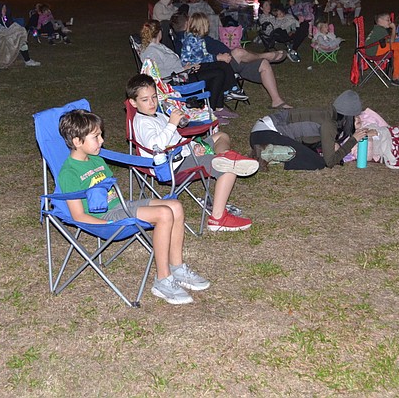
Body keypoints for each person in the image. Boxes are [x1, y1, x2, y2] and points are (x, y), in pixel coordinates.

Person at [57, 108, 210, 305]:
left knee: (175, 206)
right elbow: (78, 216)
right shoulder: (68, 173)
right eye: (96, 137)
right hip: (105, 217)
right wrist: (109, 223)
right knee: (164, 214)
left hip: (121, 205)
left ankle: (177, 267)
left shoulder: (97, 159)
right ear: (77, 142)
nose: (102, 140)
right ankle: (162, 280)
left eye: (101, 135)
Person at [127, 74, 257, 232]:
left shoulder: (158, 115)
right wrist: (172, 124)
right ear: (133, 102)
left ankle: (225, 155)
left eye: (154, 97)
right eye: (145, 99)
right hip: (171, 165)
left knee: (221, 137)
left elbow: (177, 139)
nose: (152, 102)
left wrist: (194, 146)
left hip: (183, 153)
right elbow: (156, 145)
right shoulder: (142, 122)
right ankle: (217, 218)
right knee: (228, 168)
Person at [139, 20, 236, 120]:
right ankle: (210, 112)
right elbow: (158, 74)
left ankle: (219, 108)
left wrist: (188, 67)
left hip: (183, 74)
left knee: (219, 66)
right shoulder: (150, 52)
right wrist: (183, 69)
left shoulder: (159, 46)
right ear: (159, 32)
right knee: (218, 74)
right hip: (174, 82)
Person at [249, 90, 368, 170]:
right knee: (318, 162)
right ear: (348, 117)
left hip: (261, 131)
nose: (358, 119)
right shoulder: (328, 124)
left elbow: (312, 139)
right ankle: (267, 153)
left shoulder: (328, 116)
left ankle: (273, 152)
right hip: (266, 134)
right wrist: (353, 140)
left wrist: (335, 144)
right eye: (355, 116)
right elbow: (330, 162)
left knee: (309, 153)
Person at [179, 13, 249, 111]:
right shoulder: (192, 39)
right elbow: (199, 59)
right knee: (221, 65)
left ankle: (230, 89)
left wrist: (219, 57)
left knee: (222, 65)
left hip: (199, 65)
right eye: (207, 24)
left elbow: (205, 55)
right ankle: (231, 87)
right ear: (202, 25)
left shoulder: (199, 38)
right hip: (193, 68)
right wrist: (217, 57)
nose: (208, 26)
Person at [365, 12, 399, 86]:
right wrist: (394, 28)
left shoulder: (377, 29)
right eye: (388, 20)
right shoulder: (380, 29)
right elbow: (392, 42)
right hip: (374, 50)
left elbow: (387, 41)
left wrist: (392, 37)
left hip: (373, 49)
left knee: (397, 52)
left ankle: (396, 78)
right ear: (380, 21)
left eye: (390, 20)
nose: (390, 22)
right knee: (398, 45)